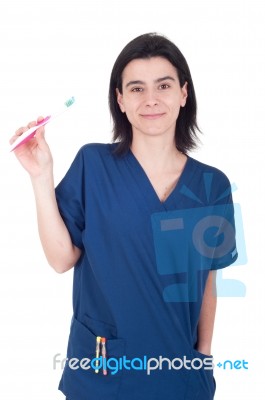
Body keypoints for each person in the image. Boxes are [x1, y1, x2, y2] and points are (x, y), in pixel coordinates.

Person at [10, 33, 238, 400]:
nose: (150, 99)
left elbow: (209, 277)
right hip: (102, 373)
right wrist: (41, 176)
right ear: (120, 99)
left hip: (178, 376)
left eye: (163, 85)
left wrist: (204, 356)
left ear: (183, 93)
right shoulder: (93, 164)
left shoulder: (213, 185)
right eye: (136, 88)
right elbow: (60, 259)